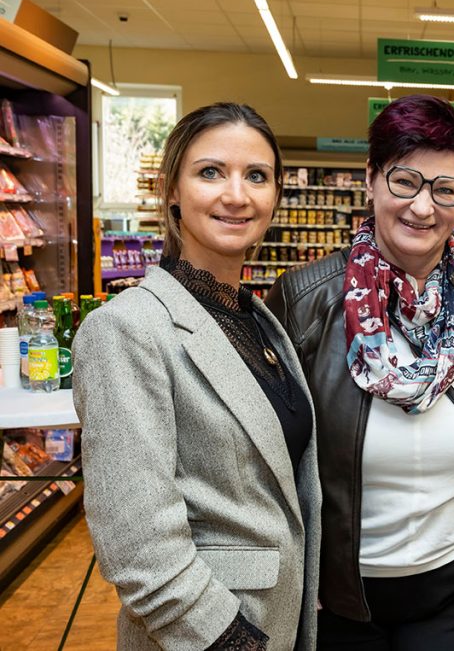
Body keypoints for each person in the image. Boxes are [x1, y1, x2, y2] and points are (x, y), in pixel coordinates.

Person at [265, 94, 454, 650]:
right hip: (340, 598)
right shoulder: (303, 301)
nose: (423, 207)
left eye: (445, 190)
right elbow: (270, 452)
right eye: (405, 182)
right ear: (371, 178)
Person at [73, 103, 321, 650]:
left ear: (276, 195)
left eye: (257, 176)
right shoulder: (127, 329)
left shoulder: (258, 322)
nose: (237, 194)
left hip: (277, 621)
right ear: (172, 192)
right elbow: (138, 546)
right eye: (210, 172)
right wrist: (234, 641)